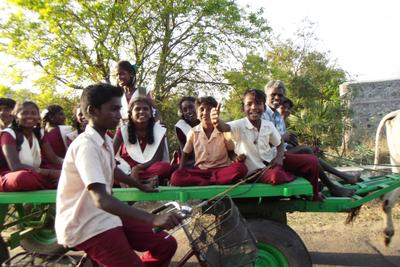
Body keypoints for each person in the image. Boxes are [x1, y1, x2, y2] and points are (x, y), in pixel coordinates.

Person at [55, 83, 181, 267]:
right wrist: (153, 218)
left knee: (166, 244)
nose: (119, 114)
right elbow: (101, 200)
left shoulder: (104, 139)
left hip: (107, 216)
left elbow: (112, 169)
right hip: (87, 224)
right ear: (93, 111)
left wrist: (139, 185)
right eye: (113, 109)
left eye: (120, 109)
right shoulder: (86, 145)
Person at [211, 89, 355, 200]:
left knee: (311, 160)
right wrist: (217, 121)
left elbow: (279, 144)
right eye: (249, 104)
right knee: (276, 177)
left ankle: (314, 192)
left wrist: (280, 156)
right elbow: (224, 127)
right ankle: (301, 185)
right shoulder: (239, 125)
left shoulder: (268, 125)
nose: (254, 107)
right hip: (255, 171)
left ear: (263, 106)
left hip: (273, 162)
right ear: (243, 108)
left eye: (258, 103)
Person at [264, 80, 360, 184]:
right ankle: (335, 182)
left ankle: (334, 180)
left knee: (307, 150)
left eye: (280, 95)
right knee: (306, 151)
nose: (277, 98)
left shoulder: (278, 116)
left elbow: (282, 141)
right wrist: (283, 138)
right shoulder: (263, 114)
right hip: (271, 157)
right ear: (266, 95)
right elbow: (262, 142)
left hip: (281, 152)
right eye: (273, 95)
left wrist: (291, 142)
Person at [170, 96, 248, 186]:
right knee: (176, 177)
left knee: (241, 168)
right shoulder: (193, 132)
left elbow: (231, 154)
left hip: (222, 170)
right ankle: (212, 181)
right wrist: (180, 170)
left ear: (216, 112)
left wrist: (237, 158)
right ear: (197, 112)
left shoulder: (223, 130)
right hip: (201, 172)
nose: (205, 113)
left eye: (210, 109)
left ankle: (208, 182)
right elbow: (185, 154)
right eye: (201, 109)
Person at [0, 101, 60, 191]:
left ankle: (53, 182)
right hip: (10, 175)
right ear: (16, 117)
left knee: (67, 171)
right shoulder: (8, 134)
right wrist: (49, 173)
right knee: (22, 178)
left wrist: (71, 166)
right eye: (24, 113)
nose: (30, 116)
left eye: (34, 113)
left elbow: (54, 159)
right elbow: (15, 166)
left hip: (35, 174)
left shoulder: (39, 133)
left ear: (38, 117)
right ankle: (54, 183)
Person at [113, 96, 173, 185]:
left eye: (145, 109)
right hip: (127, 168)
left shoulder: (159, 130)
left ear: (150, 113)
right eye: (137, 109)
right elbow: (110, 152)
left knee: (165, 167)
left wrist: (137, 168)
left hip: (148, 167)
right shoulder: (123, 130)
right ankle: (144, 181)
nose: (141, 111)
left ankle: (129, 181)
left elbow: (158, 157)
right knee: (111, 168)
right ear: (131, 114)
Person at [174, 96, 200, 166]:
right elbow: (185, 153)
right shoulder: (181, 126)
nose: (188, 111)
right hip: (191, 162)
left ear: (197, 107)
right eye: (185, 110)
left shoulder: (205, 121)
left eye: (191, 107)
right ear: (182, 113)